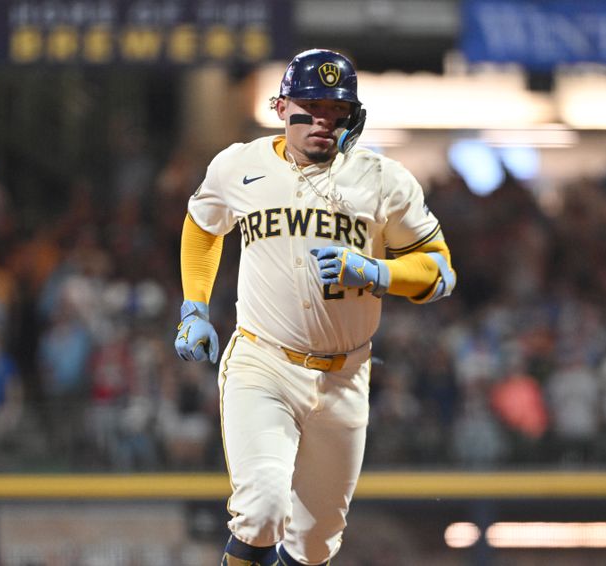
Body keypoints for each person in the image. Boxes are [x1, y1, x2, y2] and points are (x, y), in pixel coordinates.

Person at [174, 48, 455, 566]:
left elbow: (440, 271)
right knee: (261, 511)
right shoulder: (240, 164)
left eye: (337, 110)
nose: (324, 120)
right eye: (312, 106)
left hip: (346, 376)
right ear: (282, 107)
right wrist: (195, 306)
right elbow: (202, 224)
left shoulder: (382, 178)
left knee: (316, 542)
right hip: (264, 362)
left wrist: (379, 273)